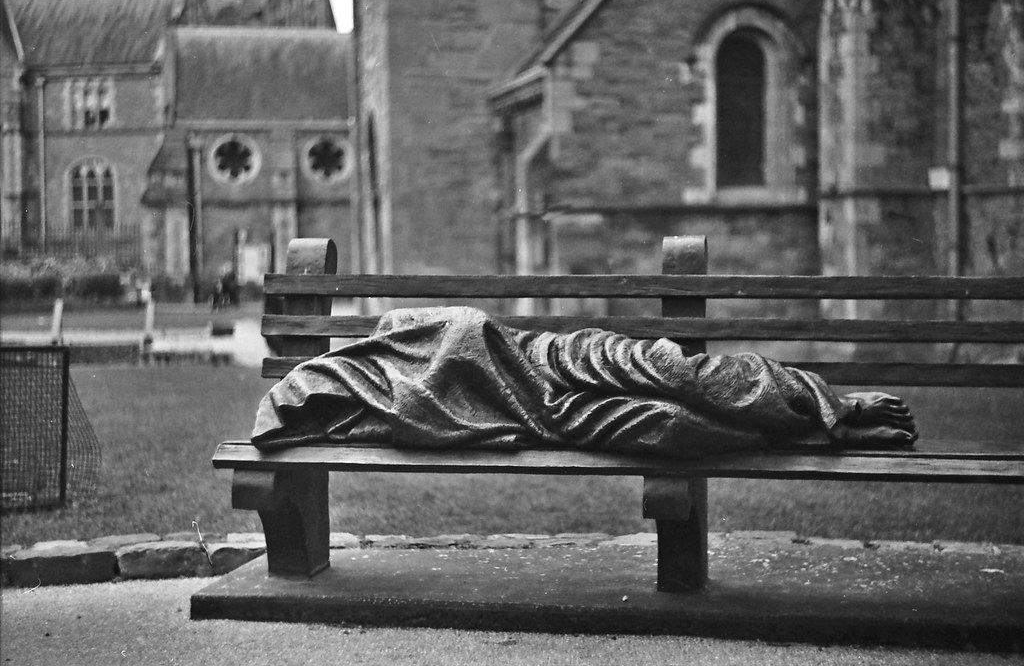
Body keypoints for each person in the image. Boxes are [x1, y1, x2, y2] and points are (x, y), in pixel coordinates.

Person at [253, 306, 916, 458]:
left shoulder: (396, 331)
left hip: (554, 360)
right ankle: (809, 432)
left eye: (311, 407)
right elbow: (430, 421)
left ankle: (833, 402)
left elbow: (469, 330)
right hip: (547, 416)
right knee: (666, 426)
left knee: (675, 370)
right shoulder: (370, 412)